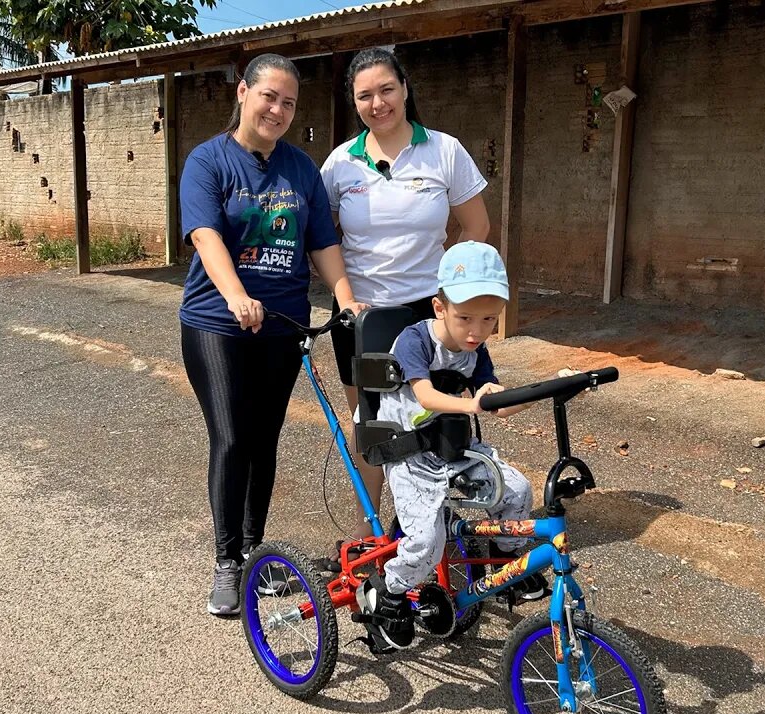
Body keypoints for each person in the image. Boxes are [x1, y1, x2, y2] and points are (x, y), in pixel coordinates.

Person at [178, 53, 364, 617]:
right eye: (269, 97)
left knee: (264, 440)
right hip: (216, 322)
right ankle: (227, 560)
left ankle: (256, 553)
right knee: (232, 437)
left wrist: (346, 297)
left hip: (281, 326)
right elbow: (206, 235)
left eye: (288, 102)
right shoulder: (208, 161)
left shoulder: (300, 169)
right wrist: (235, 294)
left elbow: (322, 244)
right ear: (243, 93)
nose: (278, 110)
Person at [319, 47, 492, 541]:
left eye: (386, 90)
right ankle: (367, 533)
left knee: (432, 417)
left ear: (405, 89)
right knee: (373, 425)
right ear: (355, 103)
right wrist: (346, 295)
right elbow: (322, 237)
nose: (378, 103)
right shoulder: (340, 164)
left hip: (428, 313)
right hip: (362, 316)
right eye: (365, 96)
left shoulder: (443, 150)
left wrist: (449, 292)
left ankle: (423, 527)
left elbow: (476, 224)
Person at [358, 241, 556, 652]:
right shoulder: (416, 341)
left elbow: (496, 404)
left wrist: (553, 390)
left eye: (488, 320)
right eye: (465, 317)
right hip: (407, 453)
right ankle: (386, 591)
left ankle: (504, 563)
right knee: (426, 543)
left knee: (518, 491)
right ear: (439, 308)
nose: (476, 331)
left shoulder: (475, 350)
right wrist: (472, 403)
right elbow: (427, 396)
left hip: (452, 449)